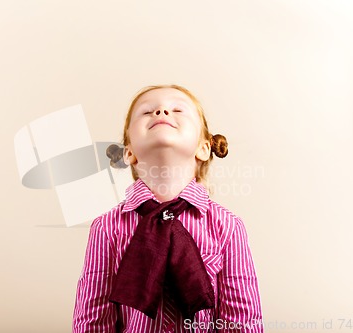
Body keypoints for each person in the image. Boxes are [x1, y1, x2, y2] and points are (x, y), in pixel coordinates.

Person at [72, 84, 263, 333]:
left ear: (203, 148)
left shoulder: (226, 227)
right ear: (129, 152)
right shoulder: (107, 228)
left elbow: (242, 323)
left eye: (177, 109)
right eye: (147, 112)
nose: (161, 111)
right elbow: (93, 322)